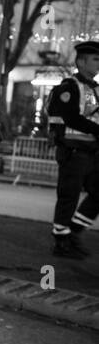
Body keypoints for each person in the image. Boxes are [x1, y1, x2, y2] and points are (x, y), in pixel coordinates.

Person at [44, 40, 99, 258]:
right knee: (68, 197)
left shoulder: (94, 89)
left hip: (92, 152)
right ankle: (61, 241)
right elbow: (71, 118)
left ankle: (72, 232)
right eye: (95, 59)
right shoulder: (68, 88)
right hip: (73, 152)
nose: (98, 63)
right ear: (81, 61)